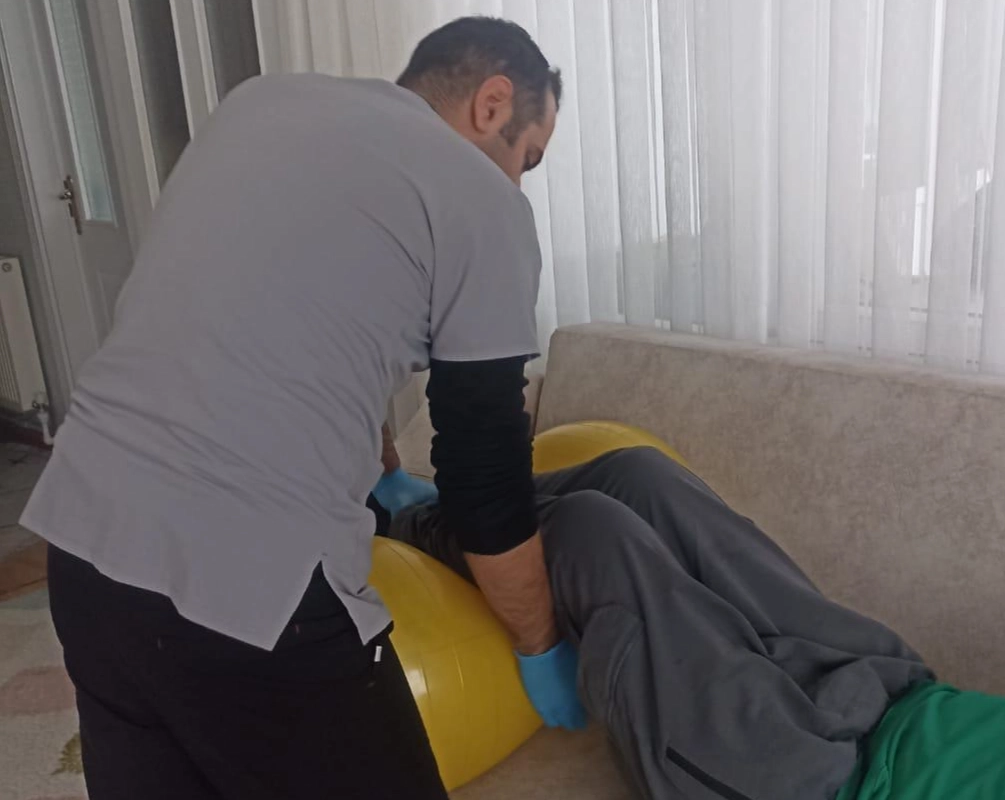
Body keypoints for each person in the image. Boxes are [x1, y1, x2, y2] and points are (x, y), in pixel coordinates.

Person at [20, 17, 585, 800]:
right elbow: (486, 480)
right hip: (250, 592)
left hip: (84, 546)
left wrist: (381, 465)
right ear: (492, 104)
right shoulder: (482, 198)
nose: (518, 183)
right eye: (529, 158)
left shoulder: (259, 105)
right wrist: (538, 643)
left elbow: (286, 318)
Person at [388, 446, 1005, 800]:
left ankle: (401, 521)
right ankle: (446, 506)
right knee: (639, 477)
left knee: (591, 533)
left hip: (810, 781)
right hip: (892, 690)